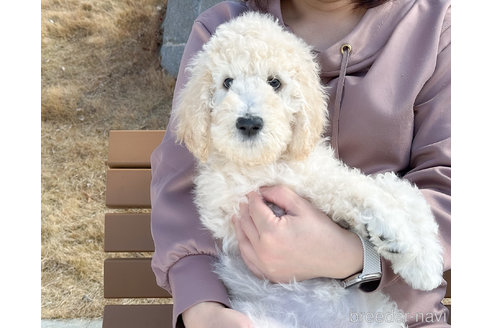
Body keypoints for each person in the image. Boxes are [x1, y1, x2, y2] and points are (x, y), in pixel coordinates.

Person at [150, 0, 451, 327]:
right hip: (250, 307)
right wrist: (203, 308)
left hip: (400, 314)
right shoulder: (223, 26)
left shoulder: (435, 23)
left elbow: (453, 185)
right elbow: (180, 182)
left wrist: (351, 255)